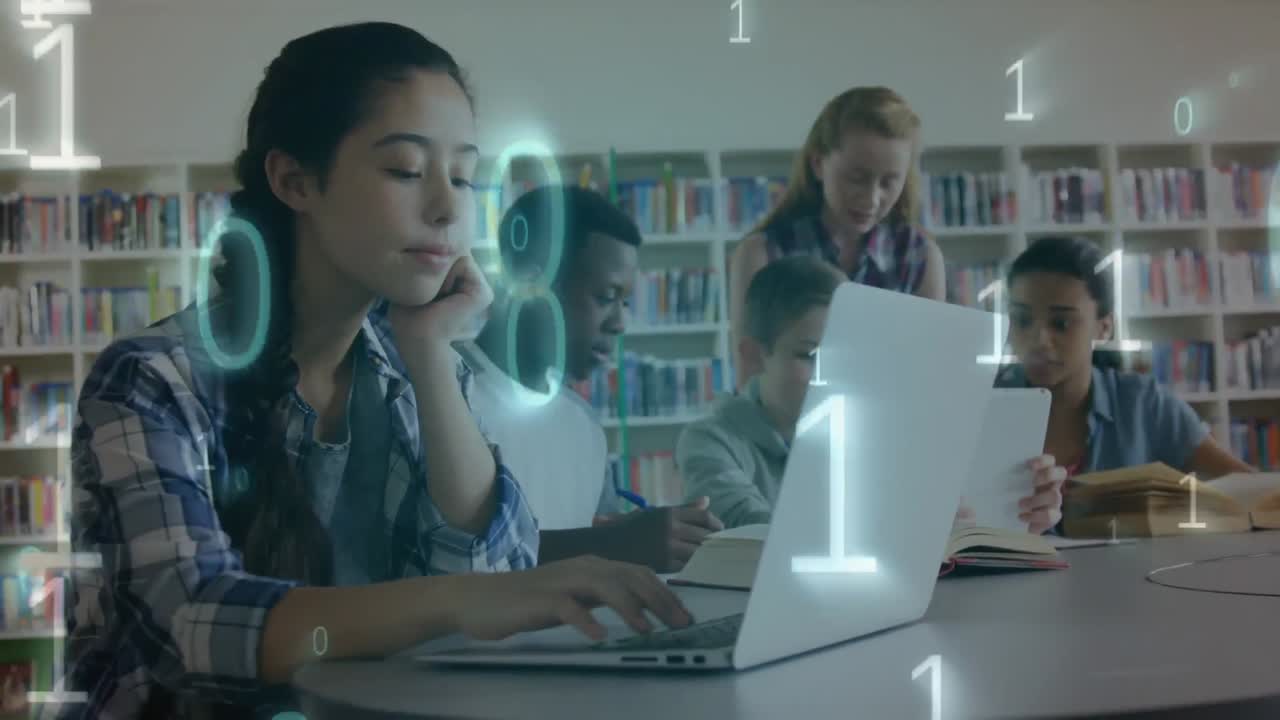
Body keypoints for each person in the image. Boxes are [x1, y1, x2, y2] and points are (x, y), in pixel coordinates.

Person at [59, 23, 690, 720]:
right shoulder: (153, 380)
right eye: (406, 171)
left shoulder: (411, 369)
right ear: (294, 180)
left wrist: (430, 354)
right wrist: (458, 601)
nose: (448, 208)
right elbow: (195, 624)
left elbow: (497, 571)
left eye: (463, 176)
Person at [679, 255, 1065, 532]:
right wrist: (907, 528)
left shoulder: (875, 431)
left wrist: (1015, 509)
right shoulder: (711, 441)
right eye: (810, 356)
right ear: (754, 355)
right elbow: (754, 532)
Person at [462, 185, 723, 572]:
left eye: (625, 302)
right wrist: (612, 545)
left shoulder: (583, 424)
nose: (620, 323)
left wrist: (642, 538)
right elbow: (449, 563)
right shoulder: (441, 397)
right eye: (605, 297)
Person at [728, 86, 946, 387]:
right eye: (857, 178)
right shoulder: (761, 254)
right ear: (818, 163)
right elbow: (751, 384)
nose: (871, 199)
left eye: (888, 182)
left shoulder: (919, 256)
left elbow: (930, 376)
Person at [1000, 235, 1254, 478]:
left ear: (1104, 328)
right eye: (1022, 320)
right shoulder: (987, 402)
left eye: (1061, 323)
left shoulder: (1143, 405)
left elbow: (1248, 487)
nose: (1039, 340)